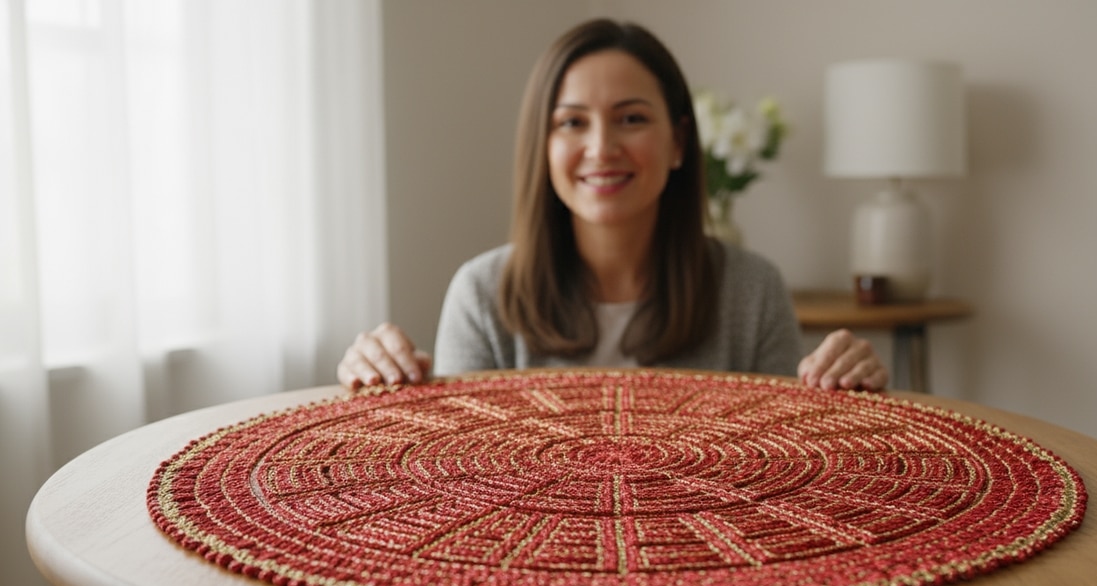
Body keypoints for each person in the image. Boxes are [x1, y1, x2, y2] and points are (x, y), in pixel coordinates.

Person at [337, 18, 887, 392]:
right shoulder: (482, 294)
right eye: (572, 122)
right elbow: (459, 475)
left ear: (677, 143)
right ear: (543, 147)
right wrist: (381, 386)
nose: (601, 148)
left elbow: (788, 463)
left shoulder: (752, 289)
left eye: (631, 118)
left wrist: (846, 393)